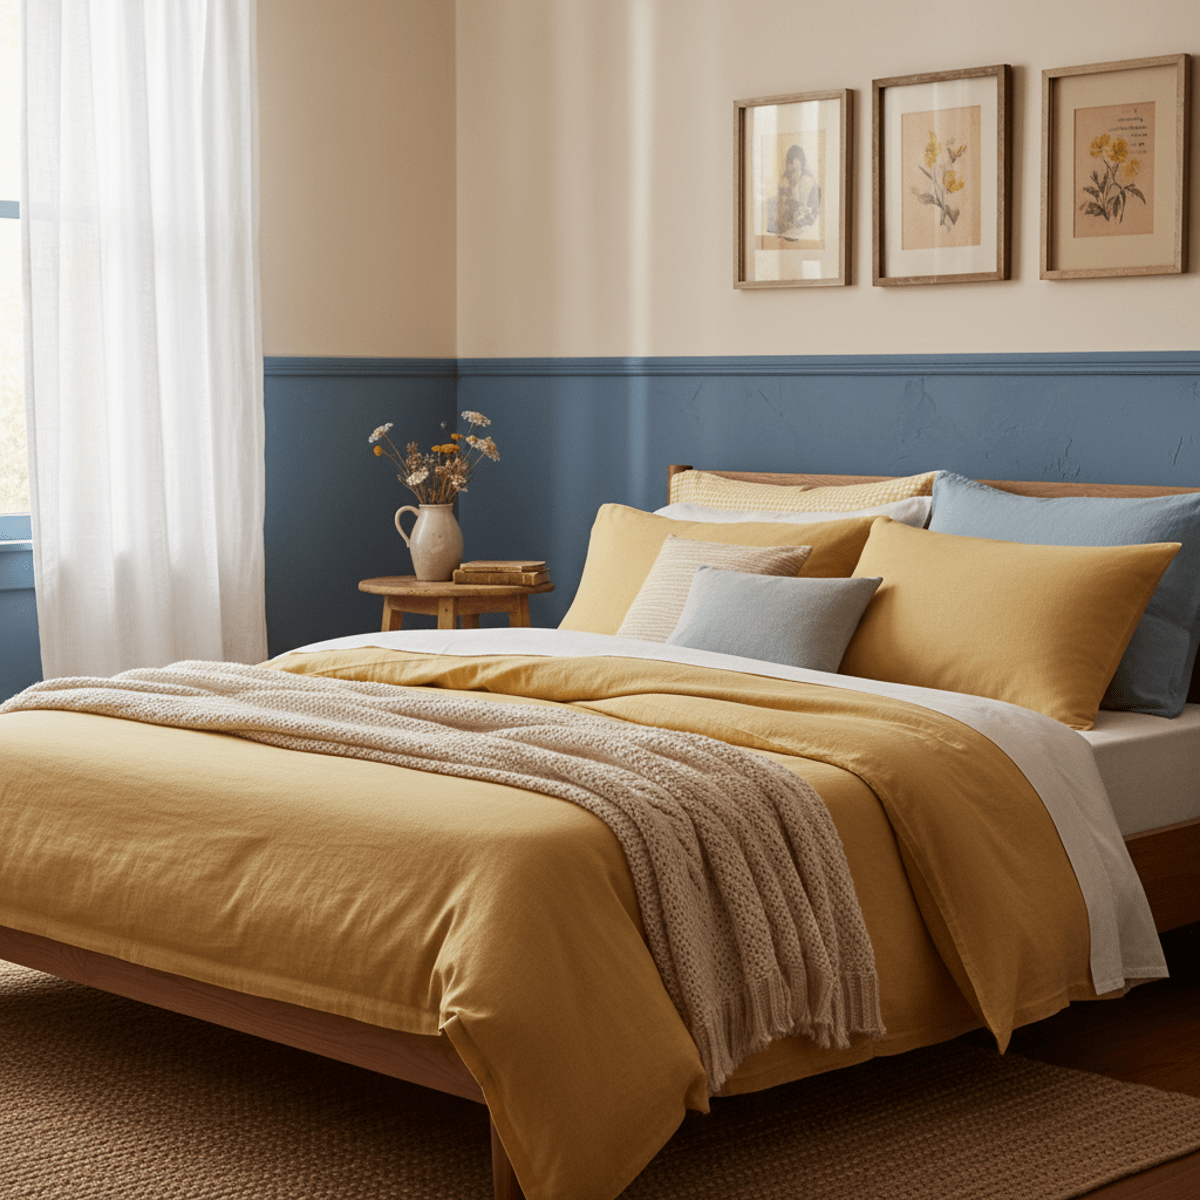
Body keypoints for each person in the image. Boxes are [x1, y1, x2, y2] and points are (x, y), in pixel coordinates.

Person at [773, 144, 820, 239]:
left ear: (802, 166)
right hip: (790, 227)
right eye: (791, 167)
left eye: (796, 169)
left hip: (806, 230)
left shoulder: (809, 183)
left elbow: (810, 216)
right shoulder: (786, 181)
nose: (794, 173)